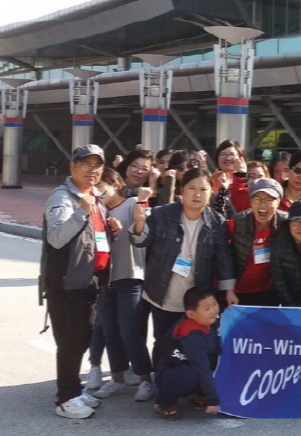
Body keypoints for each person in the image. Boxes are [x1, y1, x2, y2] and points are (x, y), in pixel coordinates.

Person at [131, 167, 237, 351]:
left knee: (194, 343)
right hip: (162, 293)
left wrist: (229, 290)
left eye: (203, 189)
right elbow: (140, 241)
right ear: (181, 190)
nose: (197, 194)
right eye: (191, 188)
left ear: (210, 192)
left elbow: (223, 257)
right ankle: (161, 378)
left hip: (197, 297)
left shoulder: (216, 222)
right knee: (163, 341)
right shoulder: (162, 214)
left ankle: (189, 379)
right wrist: (139, 222)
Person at [42, 145, 113, 418]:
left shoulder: (95, 196)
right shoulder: (63, 197)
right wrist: (82, 211)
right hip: (66, 283)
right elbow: (57, 237)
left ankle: (74, 389)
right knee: (71, 341)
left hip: (89, 281)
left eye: (97, 165)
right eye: (86, 164)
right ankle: (65, 399)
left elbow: (93, 238)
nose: (92, 170)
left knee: (83, 337)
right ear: (72, 166)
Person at [88, 168, 153, 402]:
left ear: (115, 183)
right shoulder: (97, 209)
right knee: (110, 332)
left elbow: (144, 233)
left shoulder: (134, 203)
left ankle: (145, 379)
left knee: (130, 332)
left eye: (101, 186)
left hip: (131, 277)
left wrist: (139, 214)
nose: (98, 192)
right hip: (106, 280)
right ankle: (116, 379)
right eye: (94, 188)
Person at [152, 286, 223, 421]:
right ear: (191, 314)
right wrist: (214, 400)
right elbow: (201, 368)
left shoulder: (214, 323)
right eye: (207, 308)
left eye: (215, 304)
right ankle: (164, 402)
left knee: (221, 358)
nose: (213, 310)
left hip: (199, 368)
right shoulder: (191, 334)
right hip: (175, 373)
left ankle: (200, 396)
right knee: (187, 374)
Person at [228, 177, 288, 307]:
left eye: (269, 200)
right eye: (257, 199)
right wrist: (228, 289)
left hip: (266, 291)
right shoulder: (237, 222)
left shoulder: (285, 223)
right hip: (235, 291)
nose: (263, 205)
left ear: (278, 202)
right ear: (250, 201)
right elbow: (222, 257)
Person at [211, 139, 250, 216]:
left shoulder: (248, 180)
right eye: (223, 154)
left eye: (232, 154)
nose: (227, 158)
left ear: (241, 158)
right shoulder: (210, 179)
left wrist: (241, 174)